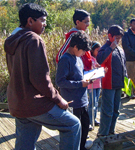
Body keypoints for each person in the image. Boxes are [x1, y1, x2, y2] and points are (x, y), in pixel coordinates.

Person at [4, 3, 81, 150]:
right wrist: (59, 99)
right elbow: (40, 80)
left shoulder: (12, 40)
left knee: (24, 144)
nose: (45, 24)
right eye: (42, 20)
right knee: (73, 125)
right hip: (34, 104)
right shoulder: (34, 39)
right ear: (30, 21)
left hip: (17, 103)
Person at [56, 31, 92, 150]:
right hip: (73, 103)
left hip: (83, 101)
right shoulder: (65, 59)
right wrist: (80, 83)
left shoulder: (78, 58)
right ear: (75, 47)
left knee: (85, 130)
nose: (83, 53)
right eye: (82, 50)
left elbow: (79, 76)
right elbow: (60, 82)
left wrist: (89, 77)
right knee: (73, 135)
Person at [96, 25, 127, 137]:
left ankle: (111, 131)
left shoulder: (120, 49)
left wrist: (126, 80)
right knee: (107, 111)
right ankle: (102, 134)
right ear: (110, 36)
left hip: (119, 84)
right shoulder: (105, 48)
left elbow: (123, 65)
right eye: (116, 38)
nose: (118, 40)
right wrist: (111, 48)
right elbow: (100, 60)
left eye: (119, 38)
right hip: (108, 84)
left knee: (116, 111)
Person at [87, 41, 101, 131]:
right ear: (92, 50)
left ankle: (94, 118)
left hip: (98, 83)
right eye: (97, 50)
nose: (98, 52)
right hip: (91, 84)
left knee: (96, 102)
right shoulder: (90, 59)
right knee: (91, 103)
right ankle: (89, 121)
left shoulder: (98, 58)